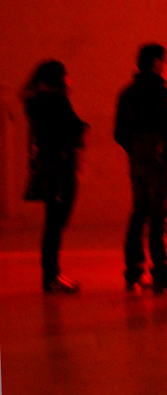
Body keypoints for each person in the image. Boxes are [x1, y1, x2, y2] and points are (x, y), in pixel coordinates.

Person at [115, 44, 167, 293]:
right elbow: (166, 125)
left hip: (137, 162)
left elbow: (119, 132)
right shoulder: (159, 90)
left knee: (139, 213)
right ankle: (161, 271)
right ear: (157, 62)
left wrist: (136, 149)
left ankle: (134, 270)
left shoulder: (127, 93)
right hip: (160, 161)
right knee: (161, 216)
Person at [22, 60, 87, 293]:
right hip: (61, 168)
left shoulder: (35, 102)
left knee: (53, 223)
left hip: (50, 167)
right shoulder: (55, 101)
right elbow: (75, 128)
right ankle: (51, 276)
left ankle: (52, 274)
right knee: (56, 223)